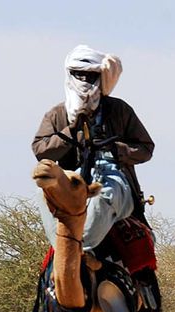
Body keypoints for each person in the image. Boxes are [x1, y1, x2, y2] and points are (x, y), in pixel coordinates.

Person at [31, 44, 155, 251]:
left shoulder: (118, 110)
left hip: (113, 177)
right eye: (79, 75)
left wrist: (117, 149)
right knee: (42, 192)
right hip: (72, 178)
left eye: (90, 76)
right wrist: (72, 131)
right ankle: (62, 251)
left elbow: (146, 148)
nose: (84, 81)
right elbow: (40, 149)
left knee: (102, 197)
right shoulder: (58, 114)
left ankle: (81, 251)